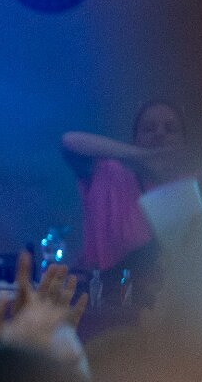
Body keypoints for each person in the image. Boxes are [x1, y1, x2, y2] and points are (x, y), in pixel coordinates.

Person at [59, 100, 192, 278]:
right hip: (103, 289)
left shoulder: (192, 187)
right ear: (135, 139)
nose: (160, 133)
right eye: (149, 129)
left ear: (183, 142)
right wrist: (145, 154)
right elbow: (69, 141)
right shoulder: (110, 174)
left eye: (170, 129)